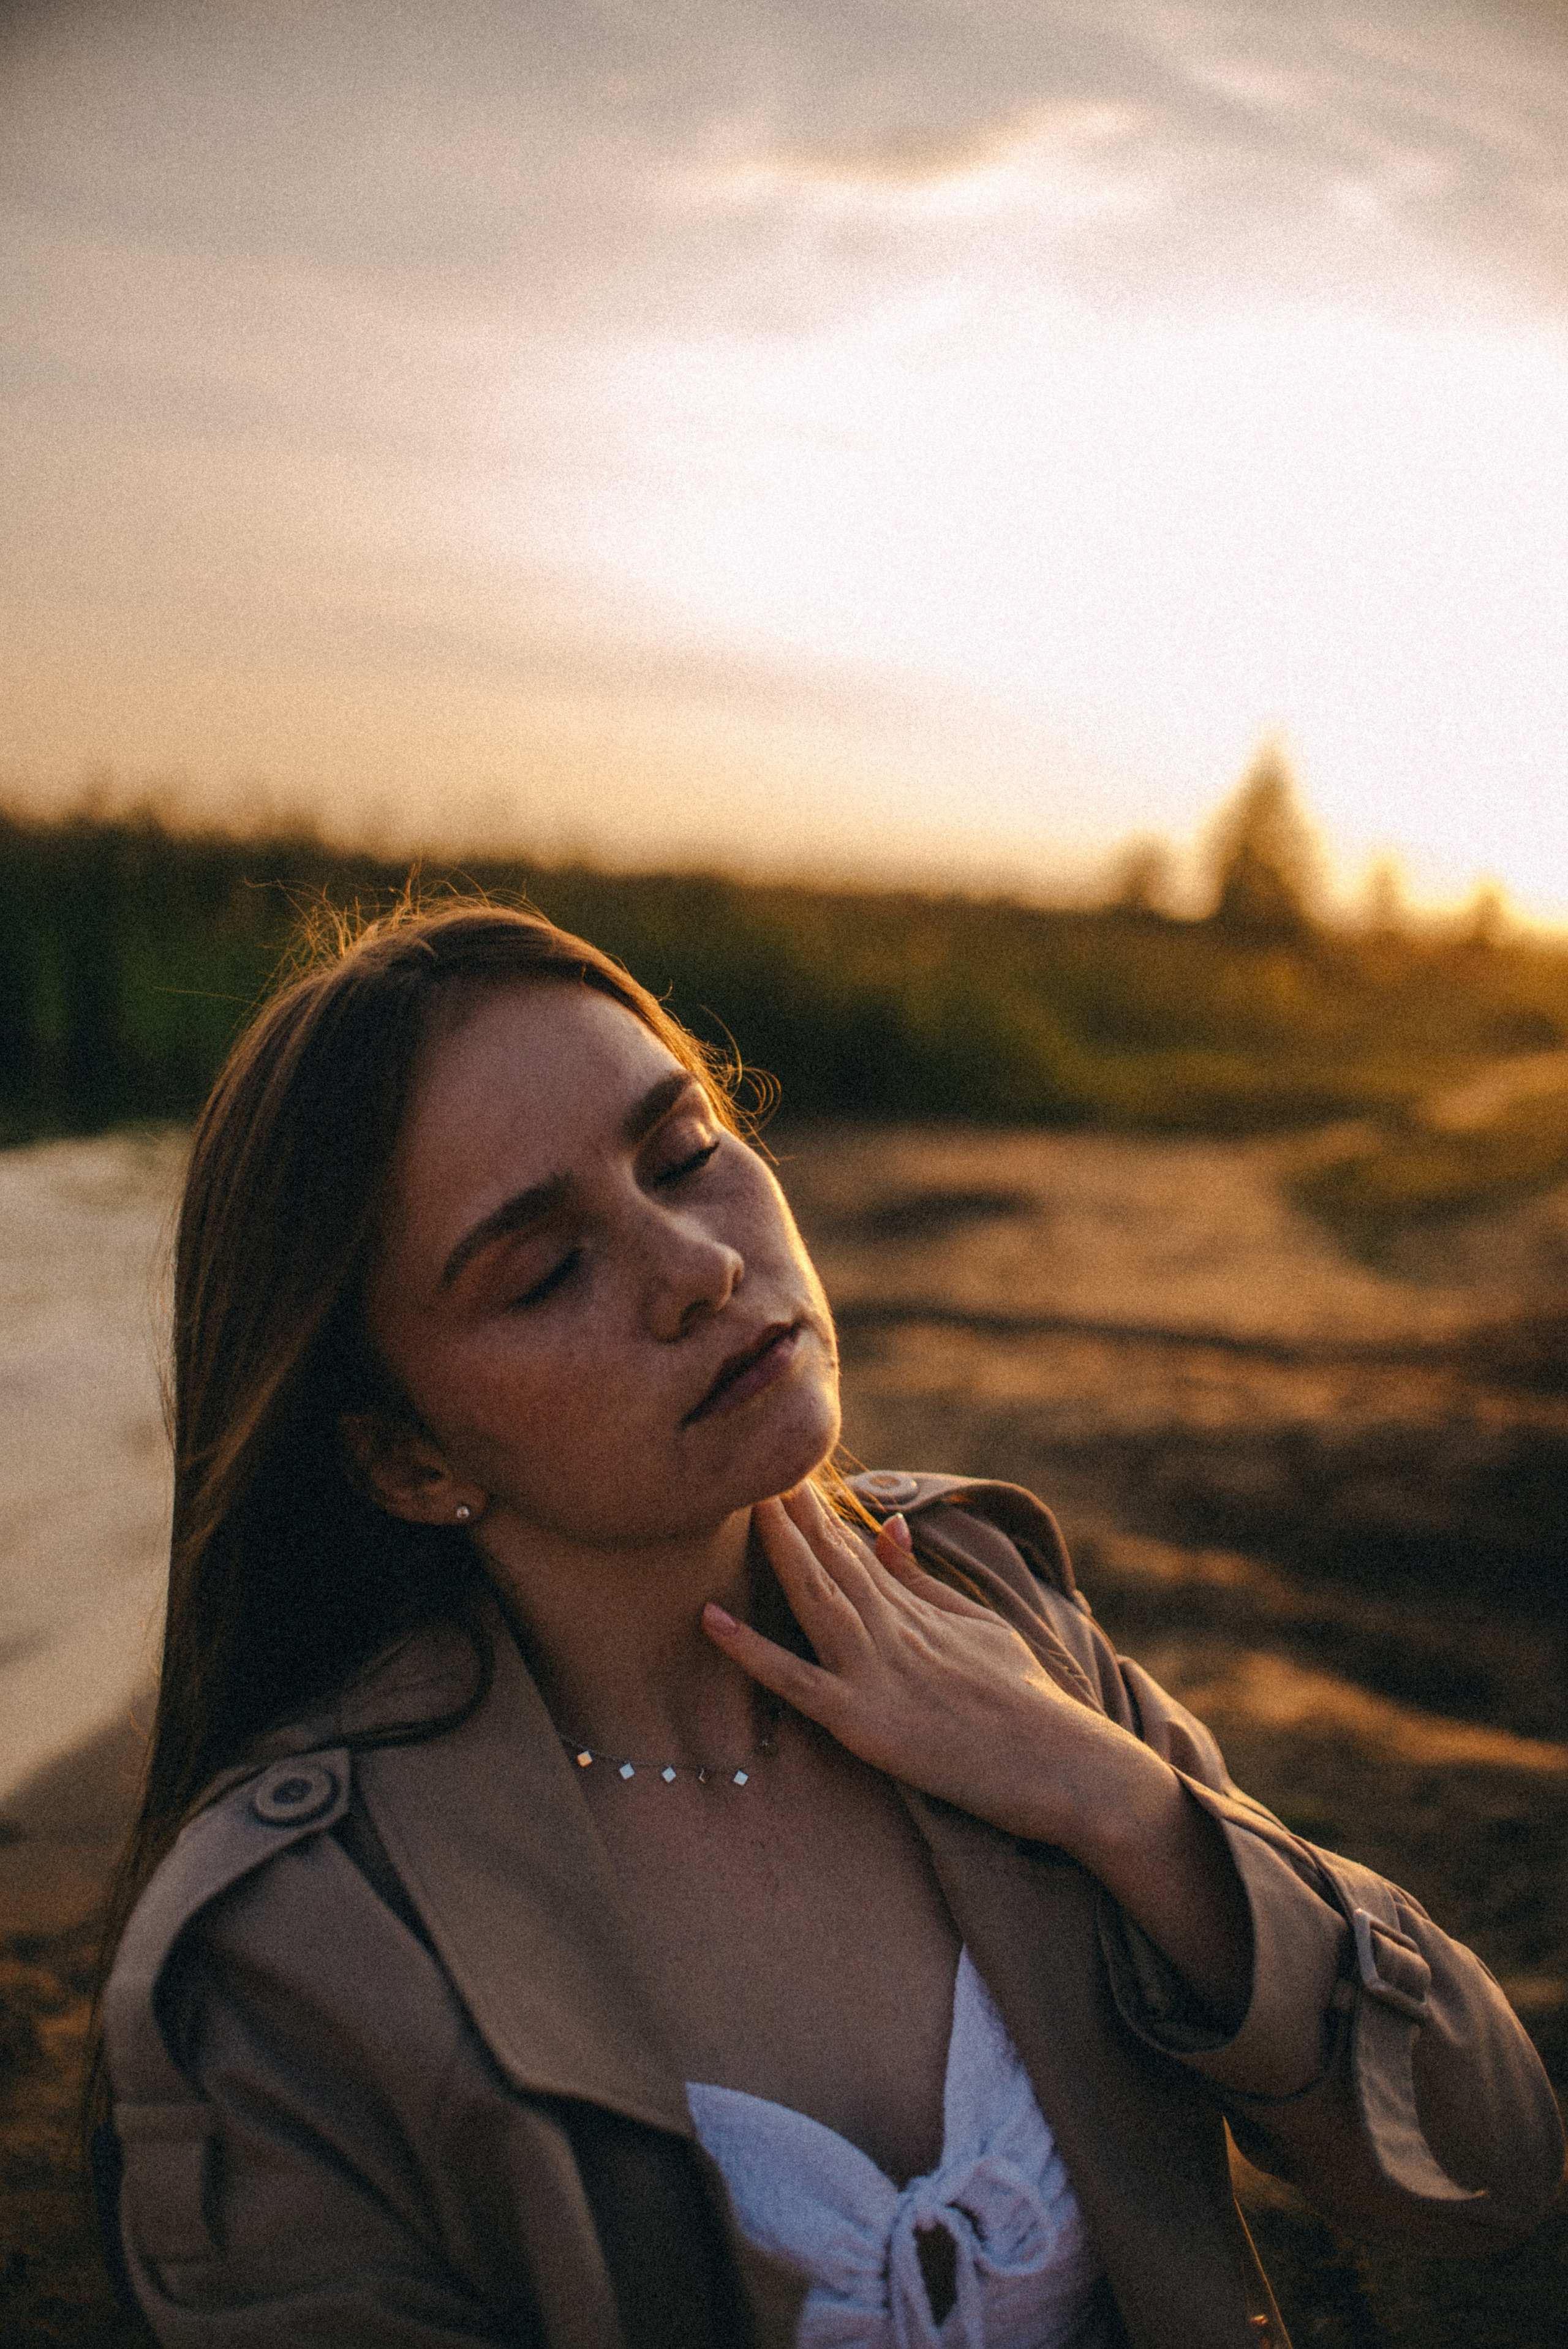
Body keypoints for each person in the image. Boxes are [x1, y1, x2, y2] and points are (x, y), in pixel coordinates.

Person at [94, 901, 1562, 2349]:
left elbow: (1487, 2158)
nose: (700, 1267)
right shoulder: (290, 1956)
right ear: (406, 1459)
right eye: (545, 1269)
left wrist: (1111, 1797)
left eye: (685, 1154)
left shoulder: (978, 1609)